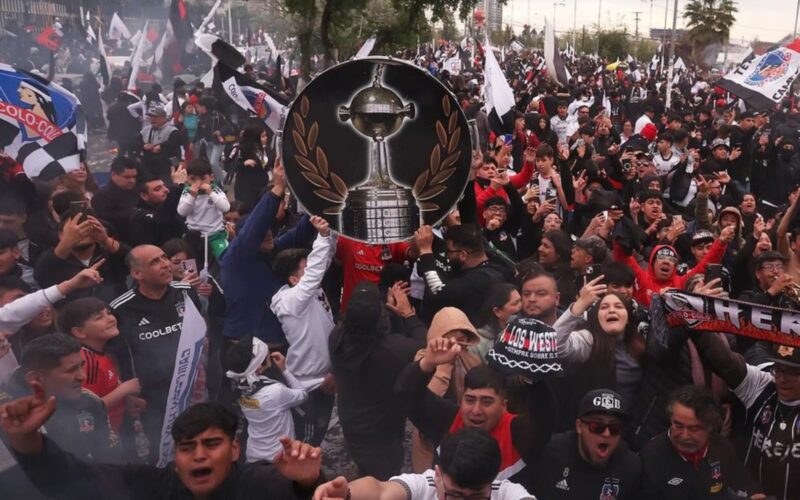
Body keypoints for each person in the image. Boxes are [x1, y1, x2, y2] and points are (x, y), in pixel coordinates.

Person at [1, 396, 324, 499]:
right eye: (187, 448)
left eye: (211, 444)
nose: (199, 455)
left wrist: (309, 483)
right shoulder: (149, 488)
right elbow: (71, 478)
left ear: (235, 450)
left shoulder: (259, 483)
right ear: (175, 458)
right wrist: (26, 439)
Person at [395, 337, 550, 482]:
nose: (476, 410)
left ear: (504, 405)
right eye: (470, 400)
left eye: (486, 402)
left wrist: (533, 373)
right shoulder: (447, 420)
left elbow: (544, 417)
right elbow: (406, 394)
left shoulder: (517, 432)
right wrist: (428, 362)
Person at [107, 244, 203, 462]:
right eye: (155, 262)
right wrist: (128, 391)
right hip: (151, 395)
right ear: (137, 273)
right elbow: (116, 354)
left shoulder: (185, 291)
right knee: (162, 449)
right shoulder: (120, 308)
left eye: (164, 258)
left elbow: (200, 329)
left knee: (199, 439)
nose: (166, 264)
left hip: (191, 385)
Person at [329, 280, 427, 479]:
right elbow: (424, 343)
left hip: (351, 422)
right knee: (383, 478)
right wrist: (407, 314)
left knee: (365, 466)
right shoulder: (392, 352)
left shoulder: (336, 339)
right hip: (384, 432)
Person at [690, 324, 800, 500]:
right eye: (779, 369)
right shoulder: (765, 385)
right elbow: (726, 363)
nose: (781, 379)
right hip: (751, 494)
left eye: (793, 373)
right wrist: (695, 325)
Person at [312, 428, 536, 500]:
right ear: (437, 474)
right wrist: (348, 495)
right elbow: (380, 490)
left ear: (493, 481)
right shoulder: (425, 487)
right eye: (455, 496)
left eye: (477, 497)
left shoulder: (507, 493)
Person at [0, 334, 121, 462]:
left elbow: (107, 457)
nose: (82, 376)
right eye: (71, 370)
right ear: (35, 378)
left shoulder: (90, 402)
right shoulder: (9, 415)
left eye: (81, 366)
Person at [270, 216, 336, 446]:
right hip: (308, 385)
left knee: (319, 433)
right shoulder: (291, 300)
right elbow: (316, 271)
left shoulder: (307, 290)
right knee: (305, 441)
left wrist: (333, 231)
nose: (313, 273)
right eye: (305, 269)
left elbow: (322, 262)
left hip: (326, 377)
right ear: (294, 279)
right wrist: (323, 236)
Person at [639, 385, 765, 500]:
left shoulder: (721, 446)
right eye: (678, 425)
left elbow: (743, 481)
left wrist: (752, 493)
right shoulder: (651, 457)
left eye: (694, 428)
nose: (684, 435)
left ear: (709, 427)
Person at [530, 389, 641, 499]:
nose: (606, 434)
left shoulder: (630, 467)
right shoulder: (550, 452)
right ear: (579, 426)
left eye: (615, 428)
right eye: (597, 427)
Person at [58, 297, 141, 433]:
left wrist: (126, 400)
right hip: (101, 439)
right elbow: (87, 410)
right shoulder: (84, 363)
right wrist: (124, 390)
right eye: (99, 318)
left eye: (108, 313)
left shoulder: (100, 353)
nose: (110, 319)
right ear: (79, 332)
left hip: (115, 431)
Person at [224, 335, 307, 463]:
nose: (269, 354)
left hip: (252, 457)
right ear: (258, 368)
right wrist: (284, 370)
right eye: (266, 354)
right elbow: (302, 395)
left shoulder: (238, 386)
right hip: (279, 458)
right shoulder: (275, 392)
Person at [414, 224, 511, 324]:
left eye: (448, 252)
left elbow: (439, 291)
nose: (446, 255)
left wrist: (425, 251)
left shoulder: (482, 279)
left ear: (463, 255)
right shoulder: (492, 260)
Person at [177, 159, 231, 260]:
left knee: (225, 259)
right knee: (188, 262)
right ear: (187, 179)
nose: (198, 183)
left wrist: (211, 193)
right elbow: (182, 212)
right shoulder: (187, 192)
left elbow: (226, 208)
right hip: (194, 236)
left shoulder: (215, 190)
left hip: (215, 235)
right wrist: (192, 197)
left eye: (203, 178)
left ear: (211, 177)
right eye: (193, 179)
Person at [129, 166, 187, 248]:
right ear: (144, 195)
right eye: (158, 189)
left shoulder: (176, 205)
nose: (166, 190)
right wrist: (177, 186)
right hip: (159, 257)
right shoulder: (138, 214)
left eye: (165, 186)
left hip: (184, 255)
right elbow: (161, 217)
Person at [91, 156, 139, 244]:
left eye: (134, 177)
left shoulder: (136, 191)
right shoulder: (102, 196)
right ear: (113, 175)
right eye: (127, 177)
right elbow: (104, 220)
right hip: (118, 241)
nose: (132, 181)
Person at [471, 283, 522, 359]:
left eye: (520, 300)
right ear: (497, 311)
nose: (520, 306)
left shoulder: (524, 332)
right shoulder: (476, 345)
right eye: (515, 303)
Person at [139, 105, 183, 180]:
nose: (152, 119)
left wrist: (161, 147)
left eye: (155, 117)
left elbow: (175, 143)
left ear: (163, 118)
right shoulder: (146, 130)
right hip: (149, 166)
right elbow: (133, 142)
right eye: (151, 117)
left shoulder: (172, 130)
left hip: (167, 167)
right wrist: (143, 146)